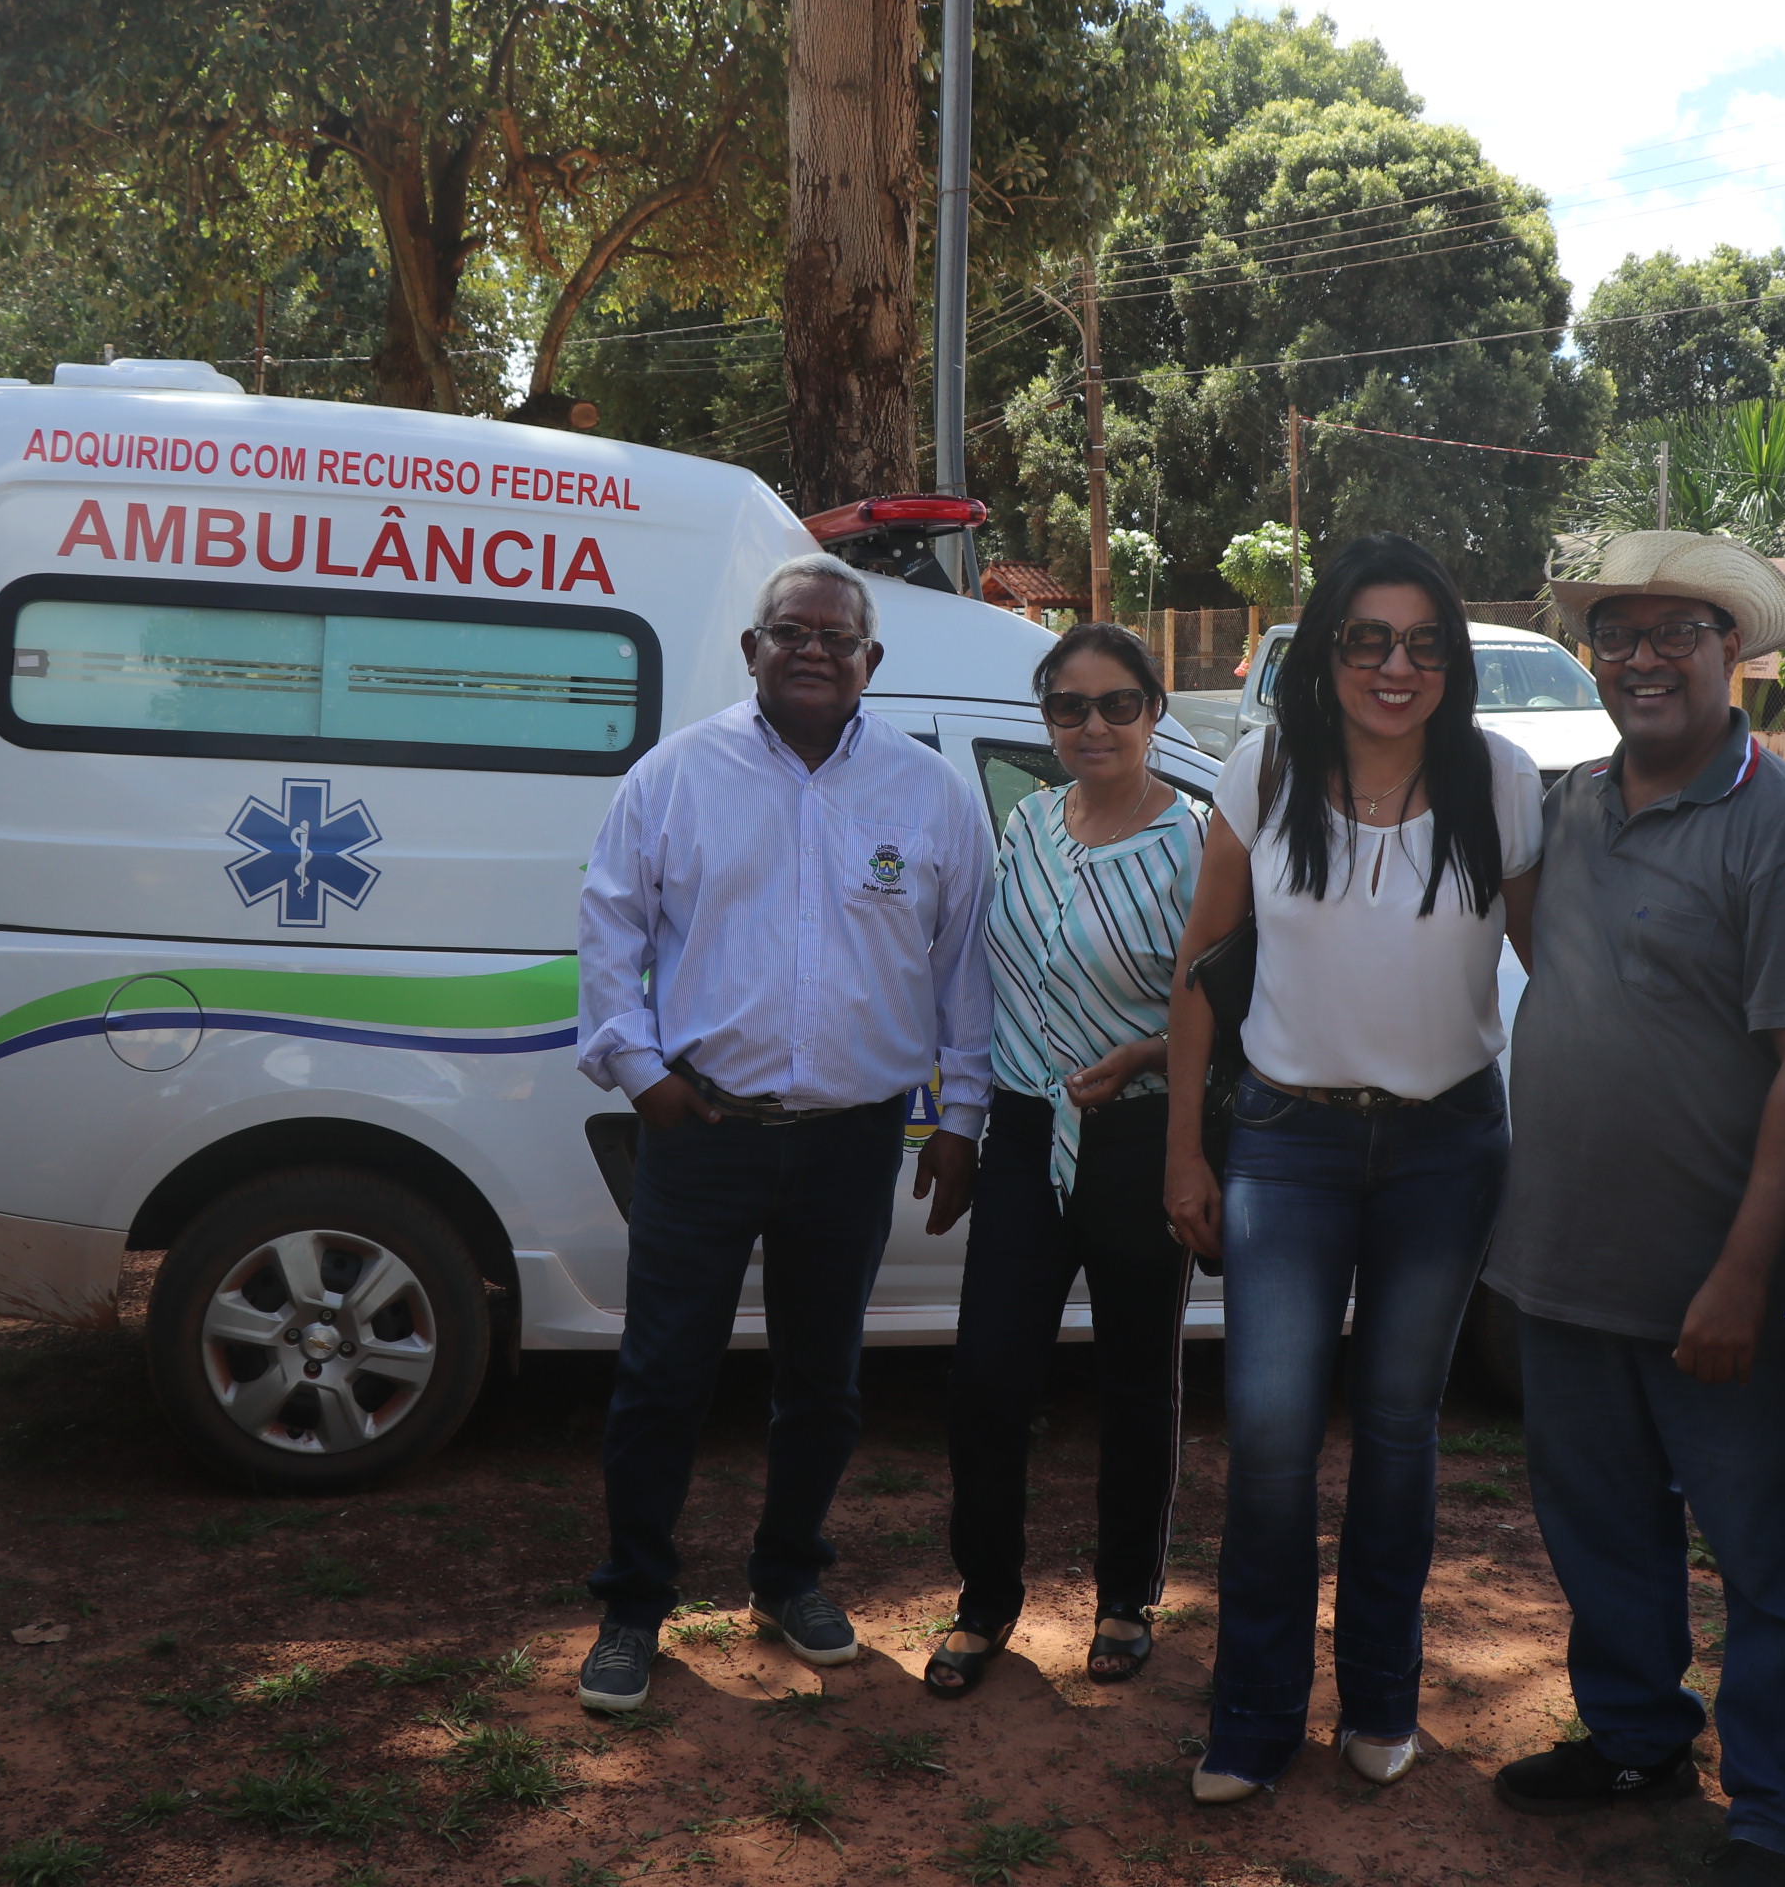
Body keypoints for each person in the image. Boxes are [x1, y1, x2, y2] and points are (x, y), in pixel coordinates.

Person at [1485, 530, 1785, 1886]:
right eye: (1618, 633)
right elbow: (1547, 965)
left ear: (1730, 650)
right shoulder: (1568, 809)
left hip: (1716, 1285)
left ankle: (1781, 1813)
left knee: (1769, 1564)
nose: (1641, 657)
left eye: (1674, 632)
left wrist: (1746, 1275)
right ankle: (1636, 1734)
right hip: (1565, 1264)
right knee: (1599, 1531)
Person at [572, 556, 993, 1713]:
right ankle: (632, 1606)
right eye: (789, 631)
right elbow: (608, 924)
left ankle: (788, 1575)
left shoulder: (930, 793)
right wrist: (643, 1074)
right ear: (752, 651)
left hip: (856, 1142)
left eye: (836, 636)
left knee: (825, 1383)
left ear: (872, 662)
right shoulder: (675, 777)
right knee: (662, 1376)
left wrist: (958, 1118)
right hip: (702, 1133)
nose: (813, 649)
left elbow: (964, 971)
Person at [1164, 534, 1541, 1800]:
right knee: (1271, 1430)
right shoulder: (1263, 769)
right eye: (1370, 639)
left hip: (1447, 1146)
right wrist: (1184, 1154)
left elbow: (1557, 972)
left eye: (1425, 642)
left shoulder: (1500, 780)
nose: (1397, 665)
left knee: (1397, 1430)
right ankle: (1254, 1713)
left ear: (1454, 662)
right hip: (1288, 1143)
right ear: (1326, 653)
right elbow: (1203, 973)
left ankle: (1380, 1697)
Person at [929, 623, 1205, 1697]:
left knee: (1139, 1383)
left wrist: (1146, 1052)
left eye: (1118, 704)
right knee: (988, 1377)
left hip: (1142, 1134)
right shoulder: (1030, 823)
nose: (1093, 725)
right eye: (1069, 707)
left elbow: (1234, 1005)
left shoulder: (1198, 842)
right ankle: (986, 1600)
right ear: (1046, 721)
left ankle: (1126, 1597)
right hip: (1026, 1131)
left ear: (1156, 712)